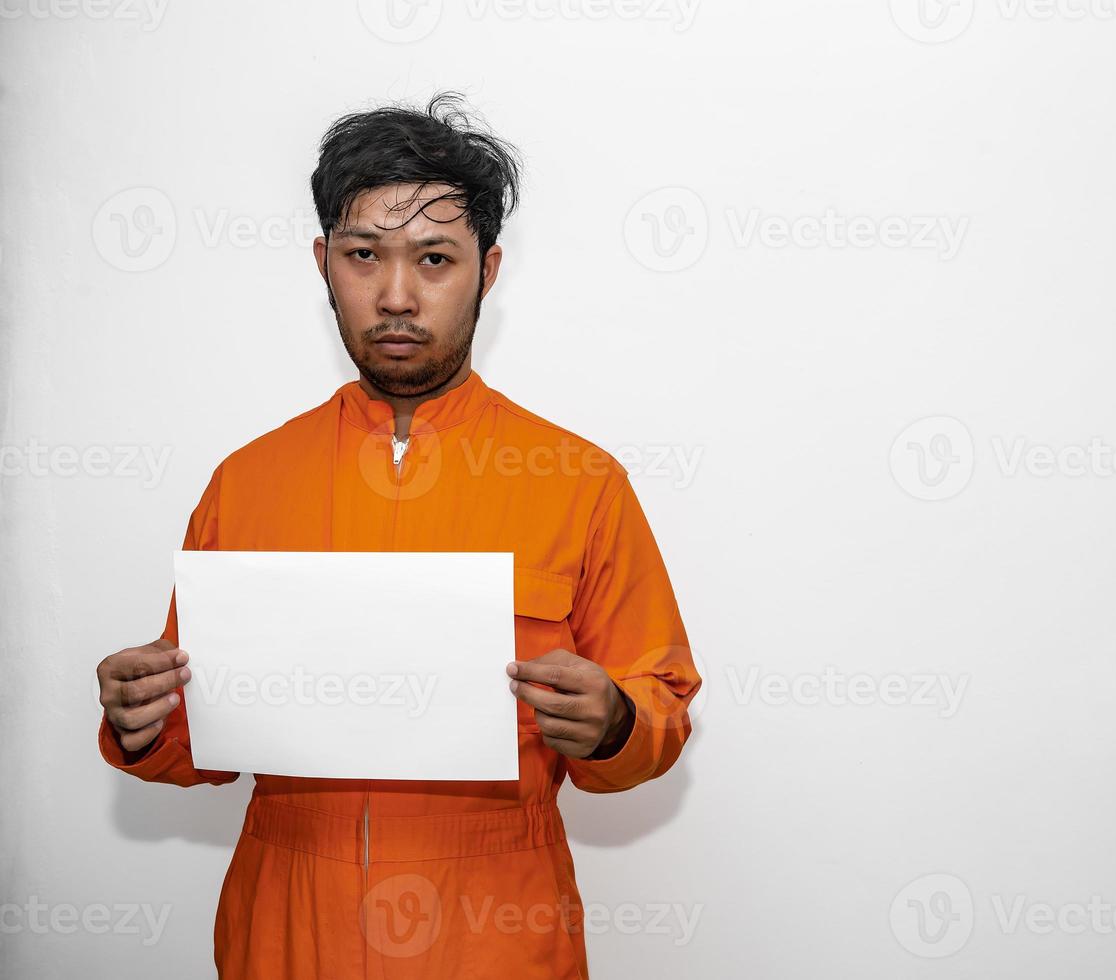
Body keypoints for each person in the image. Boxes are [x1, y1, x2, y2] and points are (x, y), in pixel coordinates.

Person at [93, 91, 701, 979]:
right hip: (286, 922)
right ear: (322, 263)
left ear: (488, 271)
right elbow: (200, 736)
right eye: (364, 255)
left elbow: (663, 702)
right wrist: (146, 717)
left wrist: (614, 721)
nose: (396, 295)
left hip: (496, 924)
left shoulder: (578, 481)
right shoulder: (248, 481)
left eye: (436, 258)